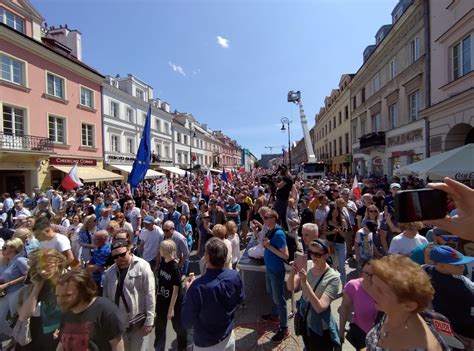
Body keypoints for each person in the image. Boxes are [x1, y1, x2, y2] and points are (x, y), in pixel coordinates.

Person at [365, 255, 448, 350]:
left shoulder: (420, 346)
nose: (371, 291)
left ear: (409, 306)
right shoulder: (393, 313)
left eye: (380, 290)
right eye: (373, 284)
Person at [181, 238, 244, 351]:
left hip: (206, 344)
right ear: (225, 257)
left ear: (207, 257)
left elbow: (187, 321)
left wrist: (188, 292)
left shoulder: (197, 288)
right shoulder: (234, 276)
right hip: (228, 337)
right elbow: (240, 299)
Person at [287, 239, 342, 350]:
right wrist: (292, 272)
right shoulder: (308, 265)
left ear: (326, 255)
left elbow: (320, 307)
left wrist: (305, 283)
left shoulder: (333, 278)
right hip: (305, 320)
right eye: (310, 252)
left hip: (320, 328)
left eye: (317, 254)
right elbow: (291, 287)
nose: (313, 256)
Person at [103, 240, 155, 351]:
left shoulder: (143, 266)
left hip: (138, 322)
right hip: (118, 324)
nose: (119, 258)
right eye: (115, 257)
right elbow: (106, 300)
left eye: (122, 254)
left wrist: (149, 320)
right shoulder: (109, 273)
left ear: (129, 250)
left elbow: (150, 294)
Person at [56, 269, 126, 351]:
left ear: (83, 292)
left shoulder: (106, 310)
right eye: (57, 295)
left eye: (67, 295)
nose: (59, 301)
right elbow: (62, 343)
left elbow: (117, 345)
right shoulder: (67, 310)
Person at [16, 249, 68, 350]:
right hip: (37, 331)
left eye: (47, 266)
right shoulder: (37, 281)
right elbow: (23, 316)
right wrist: (37, 287)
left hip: (61, 332)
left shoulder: (70, 280)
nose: (43, 271)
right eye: (39, 268)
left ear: (58, 262)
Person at [425, 245, 474, 350]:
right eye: (457, 265)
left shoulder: (426, 271)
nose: (462, 267)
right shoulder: (457, 285)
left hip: (438, 325)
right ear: (441, 265)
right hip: (459, 327)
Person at [261, 210, 289, 343]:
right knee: (271, 293)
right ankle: (274, 314)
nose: (264, 219)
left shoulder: (278, 233)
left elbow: (285, 255)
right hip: (270, 269)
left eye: (266, 217)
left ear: (273, 219)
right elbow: (266, 245)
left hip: (276, 270)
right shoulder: (269, 231)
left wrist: (268, 246)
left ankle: (284, 328)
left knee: (280, 299)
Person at [155, 240, 187, 351]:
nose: (159, 250)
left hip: (174, 303)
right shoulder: (163, 262)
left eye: (161, 249)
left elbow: (176, 289)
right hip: (162, 300)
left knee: (178, 327)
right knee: (159, 327)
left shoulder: (174, 267)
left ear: (166, 251)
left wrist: (171, 309)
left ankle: (182, 347)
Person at [338, 261, 377, 351]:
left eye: (372, 274)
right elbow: (345, 307)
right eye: (365, 273)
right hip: (361, 335)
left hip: (380, 337)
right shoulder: (353, 286)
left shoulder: (384, 289)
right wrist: (341, 332)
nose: (367, 276)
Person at [0, 238, 28, 337]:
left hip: (17, 292)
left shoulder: (20, 260)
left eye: (4, 248)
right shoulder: (5, 261)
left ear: (13, 249)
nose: (2, 250)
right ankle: (14, 337)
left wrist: (8, 284)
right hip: (5, 293)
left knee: (16, 318)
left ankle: (18, 339)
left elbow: (28, 275)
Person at [323, 203, 348, 285]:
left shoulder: (343, 221)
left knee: (342, 265)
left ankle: (344, 285)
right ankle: (332, 283)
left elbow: (344, 235)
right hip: (330, 244)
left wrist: (337, 228)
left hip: (341, 244)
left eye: (337, 212)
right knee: (332, 263)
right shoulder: (327, 220)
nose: (335, 214)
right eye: (334, 212)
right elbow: (325, 233)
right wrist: (331, 232)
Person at [273, 165, 293, 231]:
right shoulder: (288, 177)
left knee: (277, 216)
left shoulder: (287, 177)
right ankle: (287, 231)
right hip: (283, 199)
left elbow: (279, 186)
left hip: (281, 200)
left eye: (281, 170)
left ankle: (277, 231)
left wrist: (274, 181)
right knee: (283, 217)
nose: (280, 172)